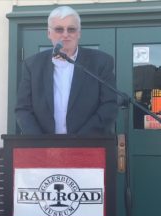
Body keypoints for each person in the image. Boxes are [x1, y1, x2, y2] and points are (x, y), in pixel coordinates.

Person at [15, 6, 118, 135]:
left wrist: (78, 141)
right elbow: (23, 109)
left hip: (88, 146)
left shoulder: (100, 62)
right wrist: (41, 143)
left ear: (79, 33)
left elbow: (109, 106)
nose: (65, 34)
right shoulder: (32, 65)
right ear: (49, 33)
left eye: (71, 29)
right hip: (45, 148)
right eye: (59, 29)